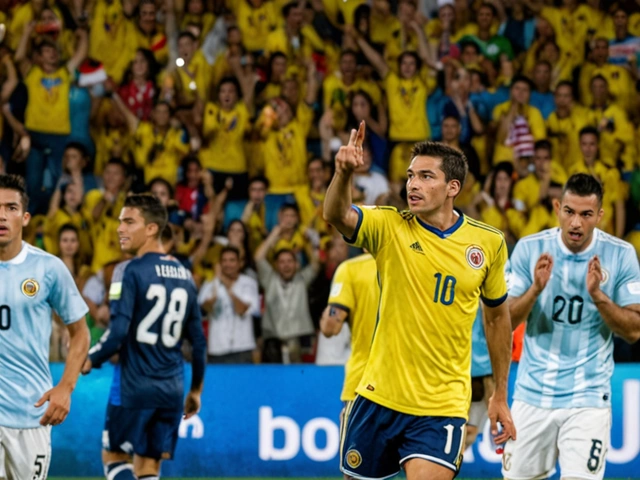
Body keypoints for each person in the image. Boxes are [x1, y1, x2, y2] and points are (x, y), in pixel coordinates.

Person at [323, 122, 515, 480]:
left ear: (452, 187)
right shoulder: (390, 226)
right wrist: (343, 172)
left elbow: (496, 319)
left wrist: (499, 394)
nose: (413, 184)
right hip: (378, 396)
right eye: (411, 176)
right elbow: (337, 215)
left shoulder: (488, 243)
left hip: (441, 404)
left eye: (426, 176)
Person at [503, 173, 640, 480]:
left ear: (600, 216)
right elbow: (506, 321)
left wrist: (598, 296)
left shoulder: (621, 254)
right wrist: (535, 290)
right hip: (532, 394)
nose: (576, 223)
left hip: (588, 398)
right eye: (570, 212)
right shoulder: (528, 249)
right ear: (557, 207)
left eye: (586, 214)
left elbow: (633, 331)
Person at [82, 194, 206, 480]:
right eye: (119, 222)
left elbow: (118, 334)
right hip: (171, 389)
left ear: (151, 228)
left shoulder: (127, 271)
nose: (119, 229)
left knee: (114, 456)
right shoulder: (186, 276)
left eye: (128, 221)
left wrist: (90, 359)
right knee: (148, 468)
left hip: (133, 385)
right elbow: (198, 342)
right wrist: (196, 390)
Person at [0, 174, 90, 478]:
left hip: (30, 414)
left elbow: (80, 333)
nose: (2, 215)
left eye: (11, 208)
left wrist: (66, 387)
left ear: (25, 218)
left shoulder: (48, 268)